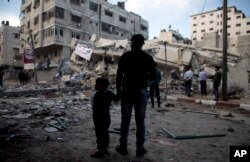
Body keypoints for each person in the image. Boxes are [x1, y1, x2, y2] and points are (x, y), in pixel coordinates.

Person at [115, 34, 156, 157]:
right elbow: (153, 76)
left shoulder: (125, 56)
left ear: (132, 43)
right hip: (140, 91)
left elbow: (119, 75)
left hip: (127, 90)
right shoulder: (148, 58)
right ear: (142, 44)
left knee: (125, 120)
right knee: (140, 120)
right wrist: (144, 78)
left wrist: (118, 90)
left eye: (131, 42)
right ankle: (140, 148)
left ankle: (123, 147)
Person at [91, 77, 119, 158]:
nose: (95, 85)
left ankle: (100, 151)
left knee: (99, 134)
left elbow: (95, 108)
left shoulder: (98, 95)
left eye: (97, 84)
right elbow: (117, 98)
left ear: (102, 86)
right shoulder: (109, 93)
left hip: (98, 118)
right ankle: (105, 148)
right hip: (106, 117)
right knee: (105, 132)